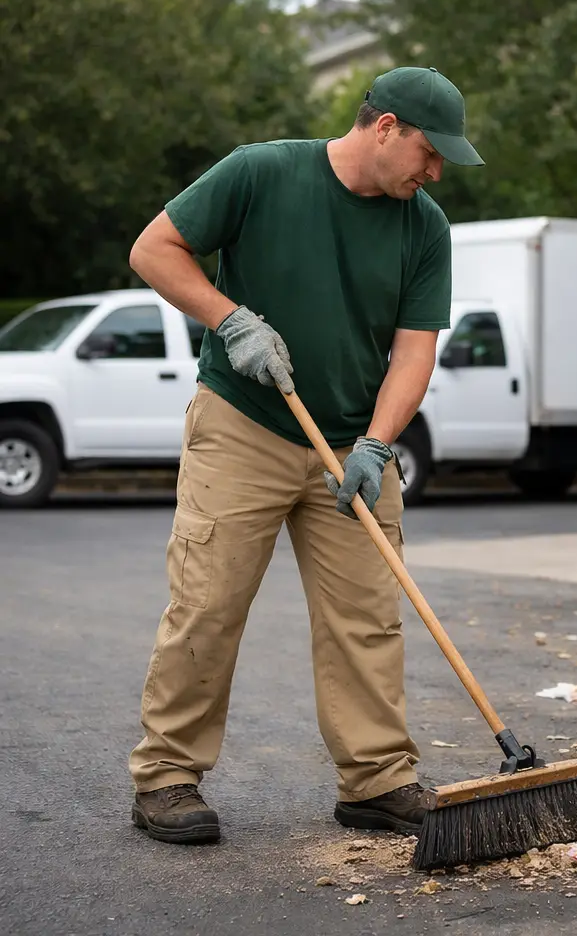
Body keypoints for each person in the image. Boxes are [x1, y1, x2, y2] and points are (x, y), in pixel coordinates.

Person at [124, 66, 484, 844]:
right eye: (429, 151)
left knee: (368, 616)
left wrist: (379, 444)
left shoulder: (424, 225)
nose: (435, 172)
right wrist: (230, 321)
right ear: (384, 126)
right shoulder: (261, 172)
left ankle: (376, 780)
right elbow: (154, 250)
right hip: (244, 424)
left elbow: (414, 352)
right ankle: (167, 776)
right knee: (209, 603)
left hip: (353, 439)